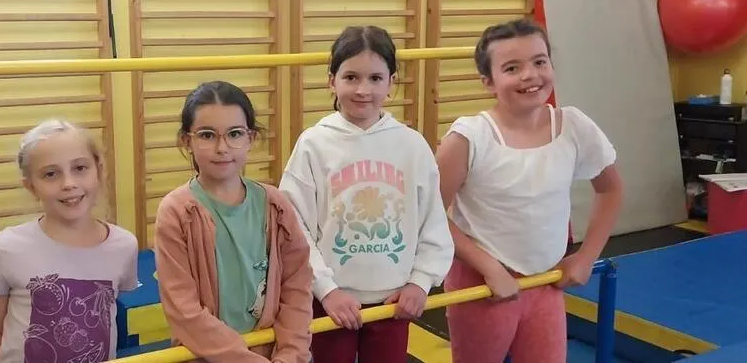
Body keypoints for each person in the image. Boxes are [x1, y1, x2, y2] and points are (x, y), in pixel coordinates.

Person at [435, 18, 624, 363]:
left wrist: (586, 256)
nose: (530, 75)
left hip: (545, 282)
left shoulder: (573, 126)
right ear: (488, 82)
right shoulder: (469, 138)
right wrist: (489, 267)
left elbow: (610, 190)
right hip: (481, 284)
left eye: (539, 62)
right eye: (512, 68)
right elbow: (430, 213)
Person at [279, 25, 455, 363]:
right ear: (331, 81)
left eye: (375, 78)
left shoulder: (412, 146)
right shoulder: (314, 144)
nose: (363, 90)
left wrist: (420, 282)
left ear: (392, 82)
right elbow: (295, 228)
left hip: (394, 302)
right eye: (351, 77)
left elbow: (433, 221)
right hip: (331, 303)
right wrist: (327, 290)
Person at [153, 81, 314, 363]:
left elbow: (297, 286)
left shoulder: (274, 205)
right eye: (207, 135)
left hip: (274, 353)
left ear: (250, 138)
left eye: (235, 134)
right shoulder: (176, 212)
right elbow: (184, 310)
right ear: (187, 141)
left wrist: (291, 353)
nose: (222, 147)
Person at [0, 119, 139, 363]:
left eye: (80, 168)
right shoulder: (8, 248)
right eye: (50, 174)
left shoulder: (123, 246)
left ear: (99, 171)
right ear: (31, 187)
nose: (69, 184)